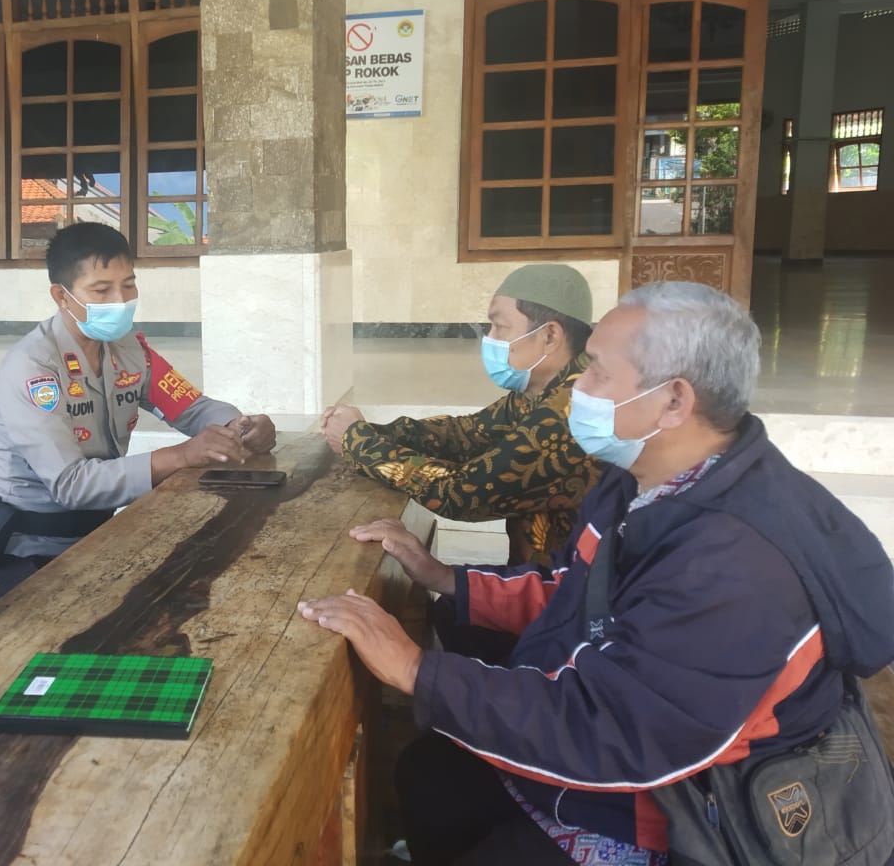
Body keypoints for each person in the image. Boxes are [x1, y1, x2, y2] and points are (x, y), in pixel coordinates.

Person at [300, 281, 894, 865]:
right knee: (431, 774)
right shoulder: (640, 480)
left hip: (687, 809)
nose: (577, 387)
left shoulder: (737, 566)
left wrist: (415, 670)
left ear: (675, 401)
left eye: (597, 374)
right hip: (629, 736)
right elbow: (577, 589)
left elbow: (614, 735)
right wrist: (444, 577)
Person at [0, 221, 276, 610]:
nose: (120, 300)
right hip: (25, 551)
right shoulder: (34, 369)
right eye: (101, 289)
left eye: (128, 285)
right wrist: (182, 456)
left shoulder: (127, 348)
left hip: (97, 532)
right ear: (61, 295)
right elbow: (70, 485)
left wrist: (238, 426)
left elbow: (188, 406)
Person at [322, 264, 600, 567]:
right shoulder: (542, 391)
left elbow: (463, 492)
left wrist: (358, 441)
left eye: (500, 327)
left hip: (563, 601)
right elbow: (466, 434)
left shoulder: (572, 412)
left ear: (549, 336)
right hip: (528, 584)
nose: (489, 338)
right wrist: (372, 431)